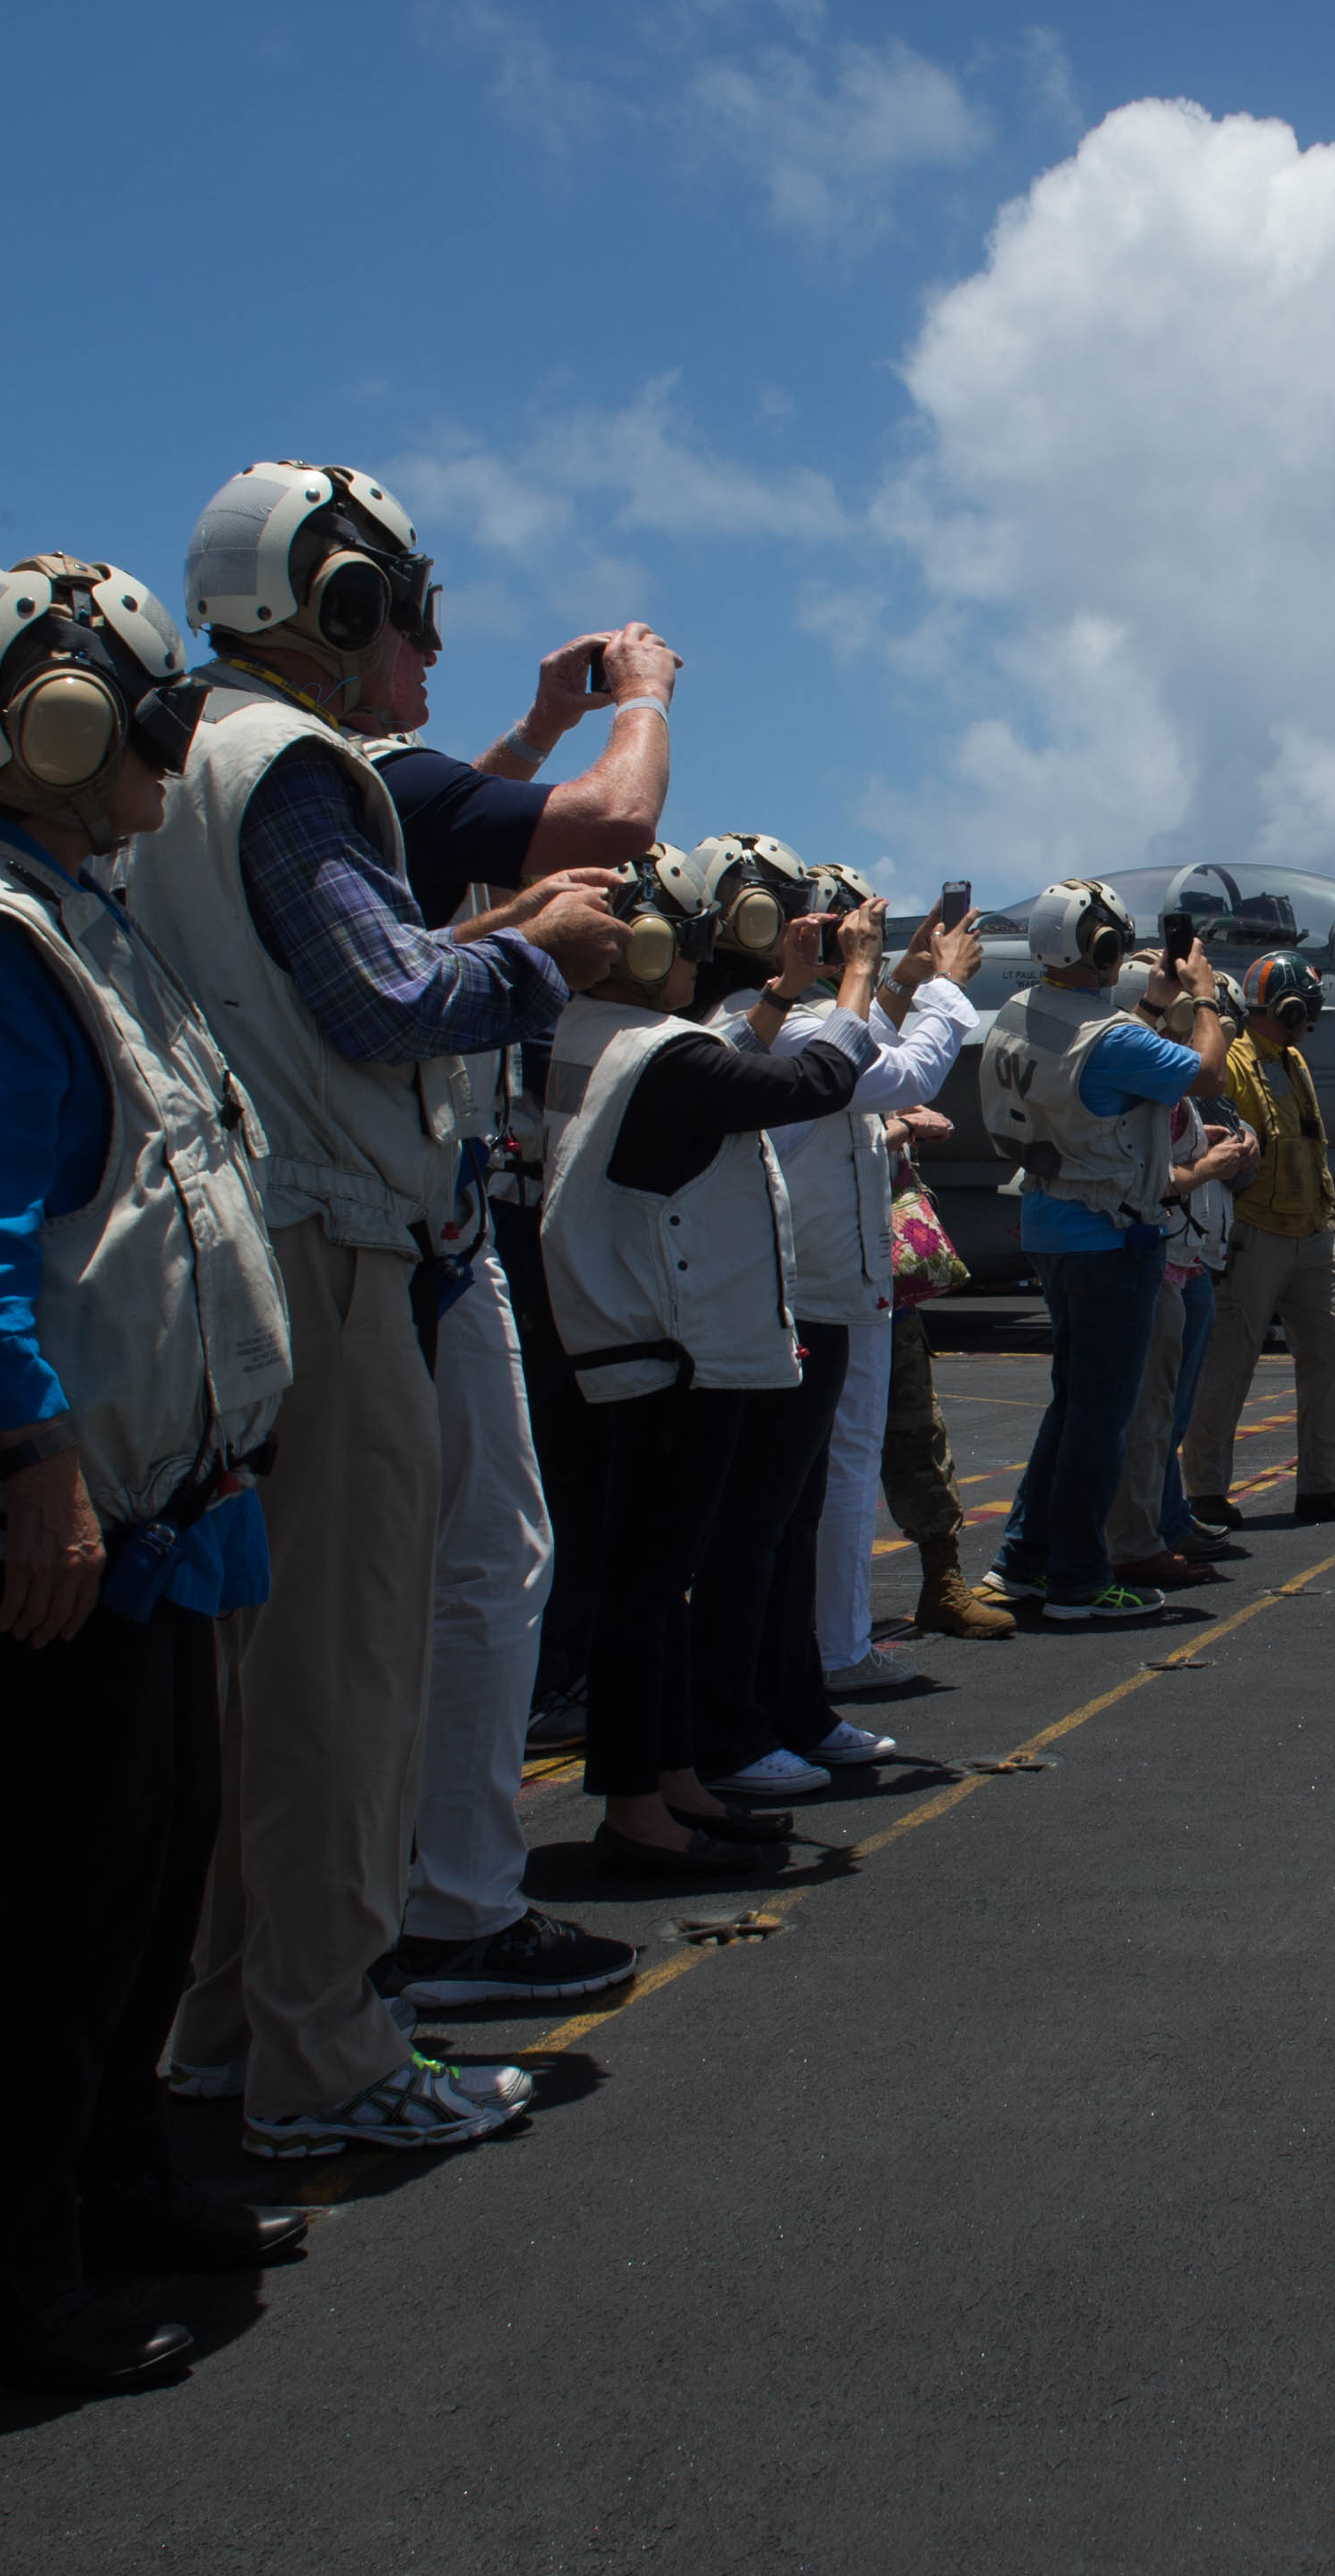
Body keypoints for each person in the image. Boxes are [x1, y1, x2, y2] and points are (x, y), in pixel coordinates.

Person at [0, 554, 300, 2393]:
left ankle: (111, 2188)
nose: (171, 758)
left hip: (150, 1522)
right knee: (51, 1911)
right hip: (49, 1528)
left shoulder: (67, 909)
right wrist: (35, 1463)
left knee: (145, 1879)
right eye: (152, 721)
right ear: (61, 721)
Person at [121, 460, 615, 2160]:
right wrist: (538, 939)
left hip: (245, 1249)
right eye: (406, 610)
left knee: (258, 1686)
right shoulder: (291, 767)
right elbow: (388, 1000)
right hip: (333, 1256)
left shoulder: (185, 753)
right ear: (338, 613)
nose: (423, 650)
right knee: (342, 1677)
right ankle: (328, 2055)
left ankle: (228, 2028)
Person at [351, 607, 674, 2021]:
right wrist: (642, 700)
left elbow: (421, 861)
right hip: (407, 1220)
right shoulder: (340, 775)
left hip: (397, 1219)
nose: (430, 649)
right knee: (484, 1570)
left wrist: (535, 731)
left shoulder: (329, 796)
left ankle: (384, 1910)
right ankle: (456, 1909)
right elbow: (609, 821)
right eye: (406, 623)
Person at [536, 847, 867, 1875]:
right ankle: (639, 1809)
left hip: (637, 1340)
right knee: (649, 1589)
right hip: (675, 1354)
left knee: (654, 1583)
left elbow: (735, 1070)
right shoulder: (658, 1055)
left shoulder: (591, 1034)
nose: (697, 966)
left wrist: (778, 997)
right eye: (686, 946)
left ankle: (671, 1779)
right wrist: (849, 986)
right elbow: (807, 1081)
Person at [722, 861, 988, 1701]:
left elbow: (864, 1054)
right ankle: (830, 1651)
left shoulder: (765, 1018)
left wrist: (896, 979)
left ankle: (815, 1650)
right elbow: (902, 1071)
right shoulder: (796, 1030)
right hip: (825, 1285)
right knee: (833, 1475)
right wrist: (942, 987)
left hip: (831, 1277)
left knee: (816, 1479)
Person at [980, 886, 1227, 1617]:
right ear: (1108, 948)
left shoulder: (1018, 1014)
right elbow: (1204, 1073)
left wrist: (1151, 1005)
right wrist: (1209, 1000)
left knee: (1071, 1405)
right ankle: (1080, 1581)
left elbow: (1095, 1071)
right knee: (1100, 1419)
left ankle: (1022, 1561)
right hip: (1112, 1238)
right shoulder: (1112, 1039)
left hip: (1050, 1227)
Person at [1182, 952, 1335, 1533]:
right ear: (1288, 1008)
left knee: (1334, 1349)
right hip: (1252, 1234)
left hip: (1311, 1233)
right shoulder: (1236, 1064)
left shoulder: (1295, 1063)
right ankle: (1205, 1493)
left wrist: (1328, 1216)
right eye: (1306, 1011)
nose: (1310, 1022)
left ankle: (1323, 1487)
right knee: (1227, 1364)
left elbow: (1309, 1145)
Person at [1112, 1053, 1255, 1591]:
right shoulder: (1132, 1074)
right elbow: (1142, 1177)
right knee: (1148, 1418)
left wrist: (1238, 1147)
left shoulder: (1195, 1092)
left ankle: (1165, 1521)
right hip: (1160, 1257)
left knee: (1172, 1412)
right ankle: (1140, 1537)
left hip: (1193, 1258)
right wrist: (1207, 1166)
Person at [876, 1122, 1008, 1639]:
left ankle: (943, 1581)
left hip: (886, 1288)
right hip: (821, 1283)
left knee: (918, 1430)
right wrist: (902, 1126)